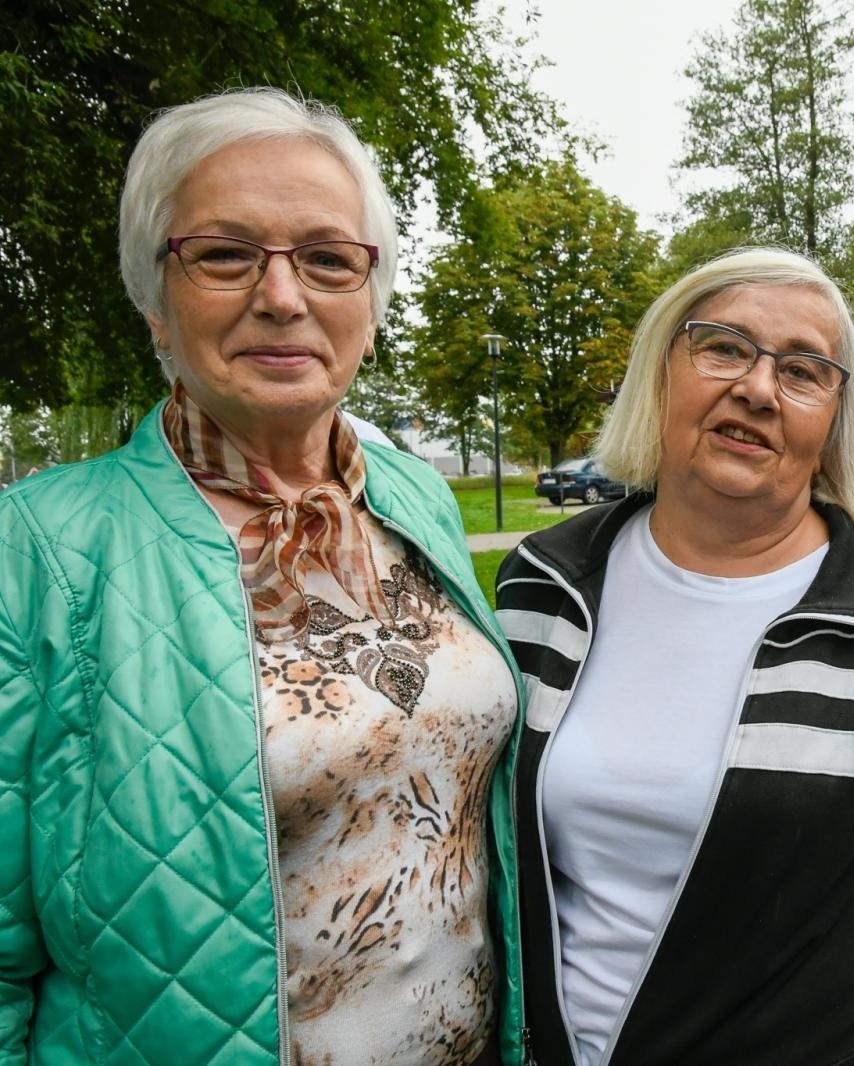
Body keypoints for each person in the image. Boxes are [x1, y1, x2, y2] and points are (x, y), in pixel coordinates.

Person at [0, 88, 525, 1065]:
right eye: (225, 252)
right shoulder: (35, 548)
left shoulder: (415, 498)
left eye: (327, 259)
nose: (281, 295)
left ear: (369, 306)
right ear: (156, 299)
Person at [494, 249, 854, 1066]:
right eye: (723, 347)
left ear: (834, 419)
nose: (757, 389)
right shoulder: (542, 583)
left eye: (803, 371)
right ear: (662, 372)